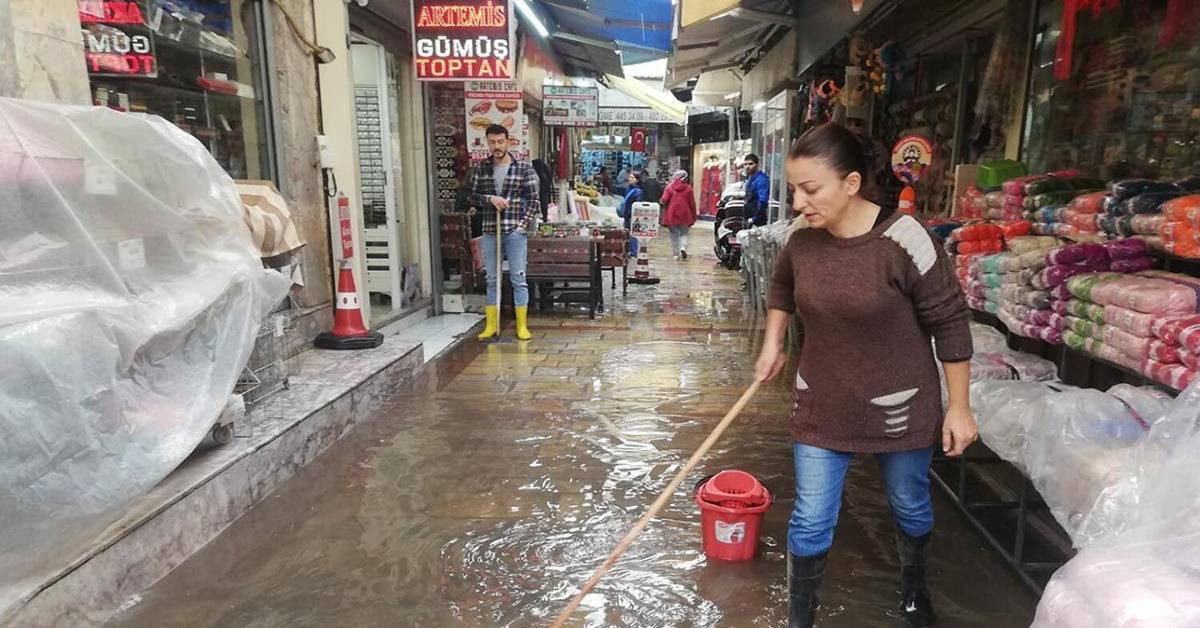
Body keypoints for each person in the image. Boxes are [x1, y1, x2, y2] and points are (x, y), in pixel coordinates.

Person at [753, 123, 977, 628]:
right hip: (822, 399)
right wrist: (773, 344)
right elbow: (782, 287)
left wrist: (959, 406)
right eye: (794, 190)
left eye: (811, 190)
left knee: (909, 504)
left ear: (851, 183)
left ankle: (914, 588)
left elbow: (949, 321)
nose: (798, 203)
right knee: (811, 518)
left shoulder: (904, 238)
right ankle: (799, 618)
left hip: (900, 403)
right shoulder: (802, 238)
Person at [468, 124, 540, 341]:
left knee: (519, 277)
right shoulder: (481, 169)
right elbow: (471, 196)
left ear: (508, 141)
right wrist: (490, 199)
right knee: (491, 278)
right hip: (491, 229)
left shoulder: (524, 168)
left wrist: (522, 226)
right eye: (492, 142)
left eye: (500, 141)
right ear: (487, 142)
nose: (496, 146)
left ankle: (522, 326)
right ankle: (491, 325)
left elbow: (534, 200)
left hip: (515, 230)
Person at [660, 169, 697, 260]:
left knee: (673, 234)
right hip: (685, 214)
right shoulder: (688, 188)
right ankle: (683, 247)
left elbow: (663, 200)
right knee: (684, 232)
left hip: (672, 214)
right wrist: (694, 216)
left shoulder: (669, 187)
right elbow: (692, 203)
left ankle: (676, 254)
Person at [743, 153, 771, 226]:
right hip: (749, 217)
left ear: (757, 165)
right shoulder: (751, 179)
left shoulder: (761, 180)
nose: (747, 167)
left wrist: (754, 218)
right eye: (745, 164)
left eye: (750, 164)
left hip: (756, 220)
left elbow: (763, 201)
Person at [620, 171, 644, 256]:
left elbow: (638, 203)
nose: (629, 179)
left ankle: (633, 251)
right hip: (627, 214)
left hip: (632, 214)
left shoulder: (638, 191)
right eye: (629, 177)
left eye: (632, 177)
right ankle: (627, 250)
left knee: (633, 233)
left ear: (637, 180)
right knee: (626, 232)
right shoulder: (629, 188)